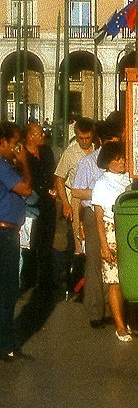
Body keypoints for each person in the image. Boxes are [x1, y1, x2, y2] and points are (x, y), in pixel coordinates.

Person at [71, 119, 121, 327]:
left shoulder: (122, 160)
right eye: (110, 141)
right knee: (94, 261)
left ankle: (113, 309)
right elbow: (76, 190)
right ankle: (95, 311)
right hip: (94, 213)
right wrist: (100, 193)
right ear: (101, 141)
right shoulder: (88, 162)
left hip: (116, 214)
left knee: (114, 262)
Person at [90, 141, 133, 342]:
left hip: (129, 230)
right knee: (114, 280)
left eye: (123, 157)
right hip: (110, 230)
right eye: (117, 158)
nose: (122, 161)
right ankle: (120, 326)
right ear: (108, 162)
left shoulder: (129, 179)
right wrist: (104, 245)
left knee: (129, 278)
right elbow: (98, 217)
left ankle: (130, 318)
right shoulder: (101, 183)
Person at [0, 122, 33, 361]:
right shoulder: (3, 166)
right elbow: (26, 189)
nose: (17, 148)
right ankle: (6, 345)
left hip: (9, 231)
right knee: (8, 291)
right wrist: (24, 161)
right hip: (4, 233)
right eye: (14, 144)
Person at [52, 117, 93, 302]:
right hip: (75, 199)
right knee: (79, 241)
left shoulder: (98, 150)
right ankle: (76, 283)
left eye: (87, 138)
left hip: (93, 200)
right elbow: (59, 179)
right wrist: (66, 203)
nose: (84, 141)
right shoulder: (70, 153)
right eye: (81, 138)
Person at [21, 123, 56, 294]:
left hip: (48, 202)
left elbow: (52, 174)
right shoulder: (22, 155)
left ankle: (46, 281)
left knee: (47, 242)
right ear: (29, 136)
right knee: (31, 242)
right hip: (31, 202)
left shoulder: (46, 152)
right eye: (38, 133)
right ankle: (28, 279)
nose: (42, 135)